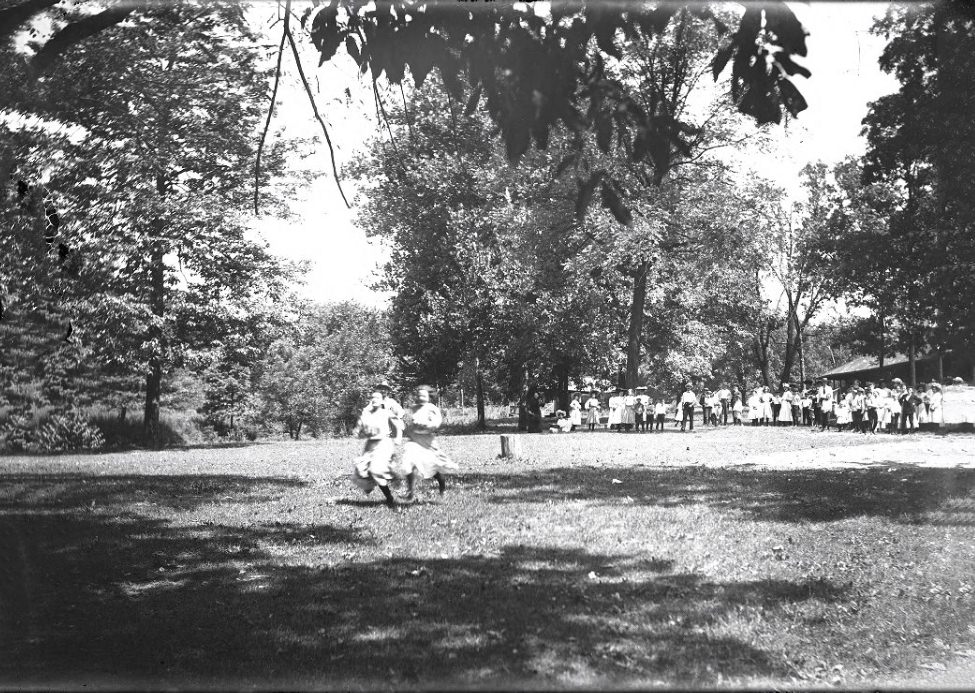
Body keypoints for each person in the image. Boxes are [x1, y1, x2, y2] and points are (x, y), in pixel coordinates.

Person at [401, 385, 458, 501]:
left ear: (429, 397)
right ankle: (410, 491)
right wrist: (408, 428)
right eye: (419, 395)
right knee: (408, 464)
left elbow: (437, 423)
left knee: (432, 467)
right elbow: (408, 424)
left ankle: (442, 489)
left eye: (424, 395)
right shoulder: (413, 408)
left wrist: (426, 425)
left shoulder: (432, 408)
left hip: (428, 443)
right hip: (414, 441)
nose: (421, 397)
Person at [352, 390, 402, 508]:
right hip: (370, 446)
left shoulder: (386, 413)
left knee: (376, 471)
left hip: (384, 445)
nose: (374, 399)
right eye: (372, 397)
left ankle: (390, 497)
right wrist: (357, 432)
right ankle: (387, 492)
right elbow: (358, 429)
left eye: (377, 398)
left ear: (381, 401)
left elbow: (398, 425)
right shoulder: (366, 415)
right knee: (366, 474)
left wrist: (398, 437)